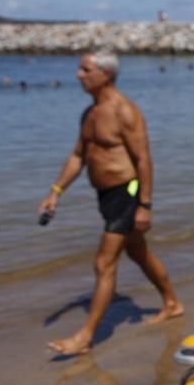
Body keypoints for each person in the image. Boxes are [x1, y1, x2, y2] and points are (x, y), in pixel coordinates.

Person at [38, 52, 183, 355]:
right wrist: (55, 191)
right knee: (138, 253)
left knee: (104, 263)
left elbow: (144, 159)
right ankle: (172, 302)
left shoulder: (124, 111)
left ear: (105, 74)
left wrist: (144, 205)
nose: (78, 74)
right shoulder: (90, 114)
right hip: (106, 196)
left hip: (127, 192)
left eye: (85, 69)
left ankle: (85, 337)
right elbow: (78, 156)